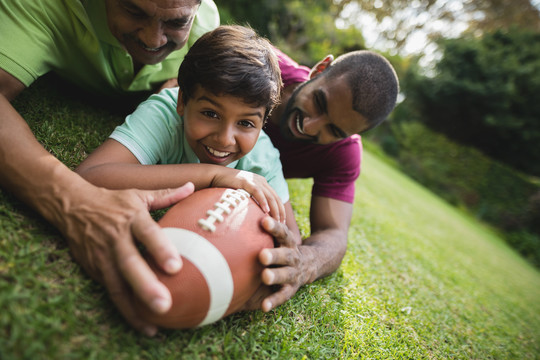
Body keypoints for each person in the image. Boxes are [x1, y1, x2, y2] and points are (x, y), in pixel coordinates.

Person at [0, 0, 219, 336]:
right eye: (134, 12)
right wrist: (74, 201)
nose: (154, 39)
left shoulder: (206, 27)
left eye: (175, 22)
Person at [75, 25, 299, 233]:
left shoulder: (263, 157)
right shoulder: (165, 113)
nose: (224, 139)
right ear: (182, 101)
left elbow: (290, 236)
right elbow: (90, 176)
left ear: (262, 125)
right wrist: (214, 175)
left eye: (246, 123)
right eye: (211, 114)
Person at [246, 48, 399, 313]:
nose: (311, 126)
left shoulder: (343, 153)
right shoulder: (258, 61)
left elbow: (334, 233)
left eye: (334, 130)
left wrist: (305, 262)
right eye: (319, 102)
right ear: (318, 70)